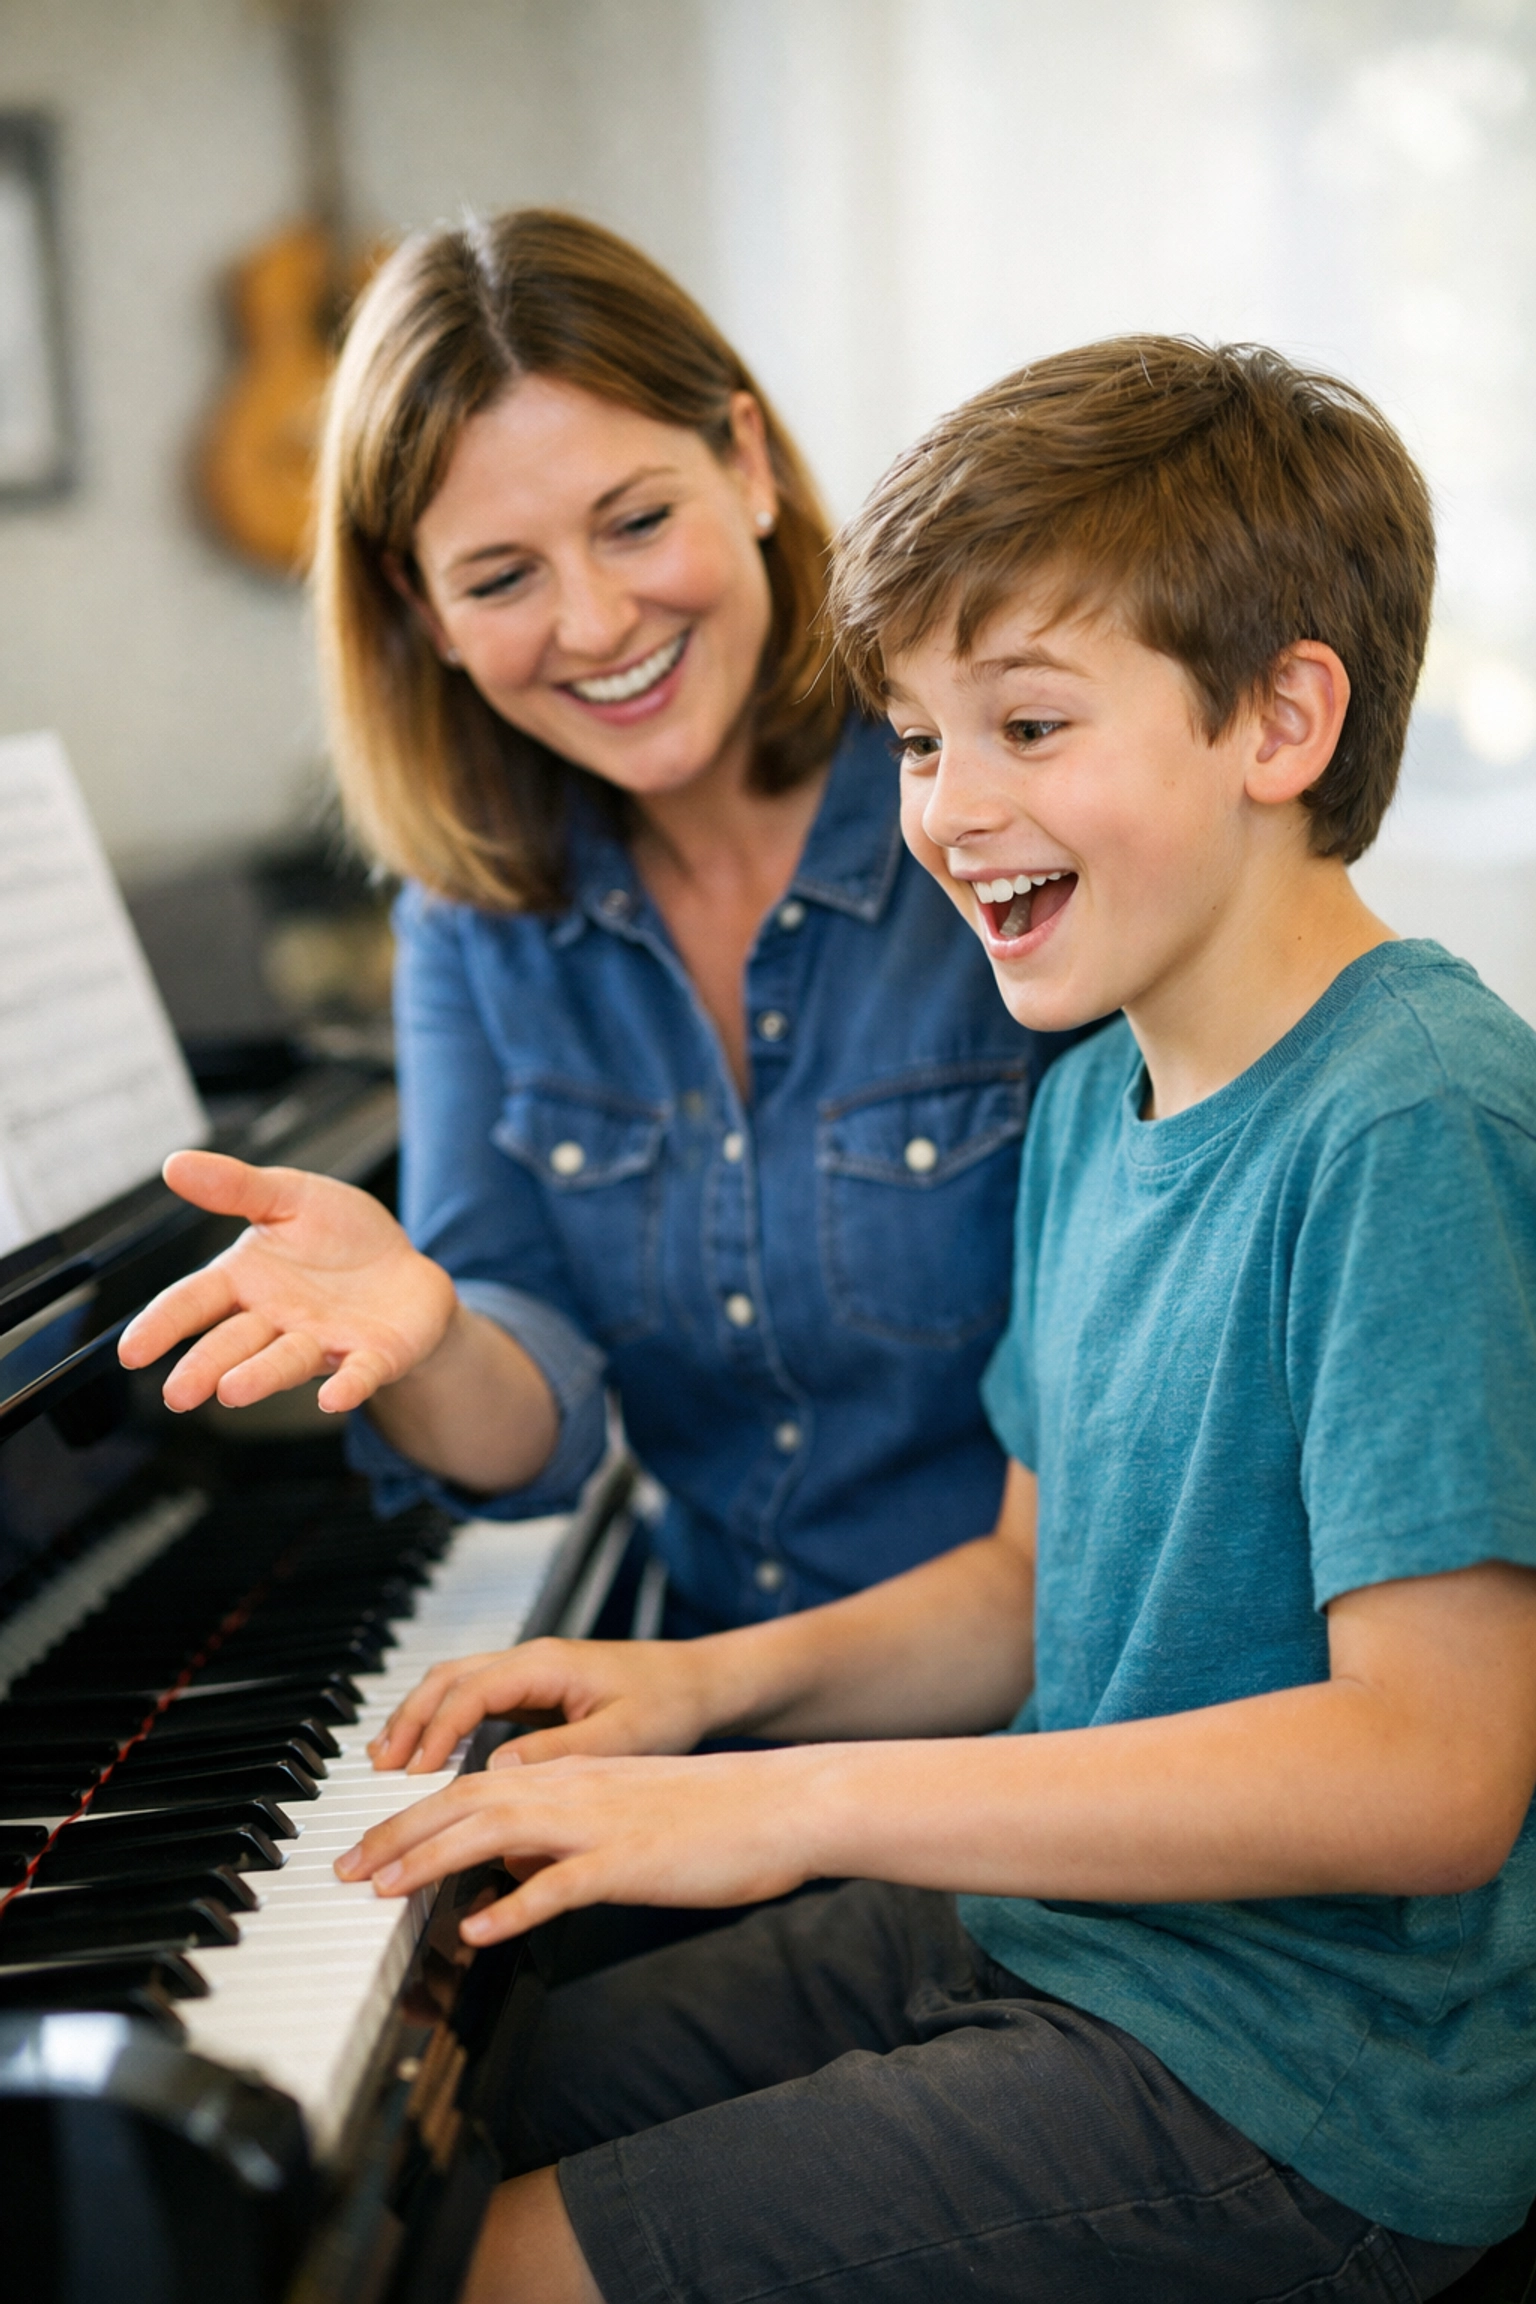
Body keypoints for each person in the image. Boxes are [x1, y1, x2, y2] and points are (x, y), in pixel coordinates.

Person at [338, 338, 1536, 2304]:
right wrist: (698, 1697)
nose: (948, 812)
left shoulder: (1415, 1122)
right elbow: (1026, 1586)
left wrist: (781, 1802)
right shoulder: (1090, 1103)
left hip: (1313, 2069)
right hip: (1069, 1927)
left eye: (1029, 726)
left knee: (493, 2270)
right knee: (457, 2102)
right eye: (912, 739)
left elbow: (1432, 1773)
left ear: (1281, 718)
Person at [118, 210, 1082, 1638]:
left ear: (747, 464)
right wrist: (435, 1331)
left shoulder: (988, 809)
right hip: (708, 1710)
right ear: (424, 611)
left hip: (1031, 1727)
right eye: (501, 577)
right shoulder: (468, 921)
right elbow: (531, 1448)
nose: (594, 622)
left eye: (635, 521)